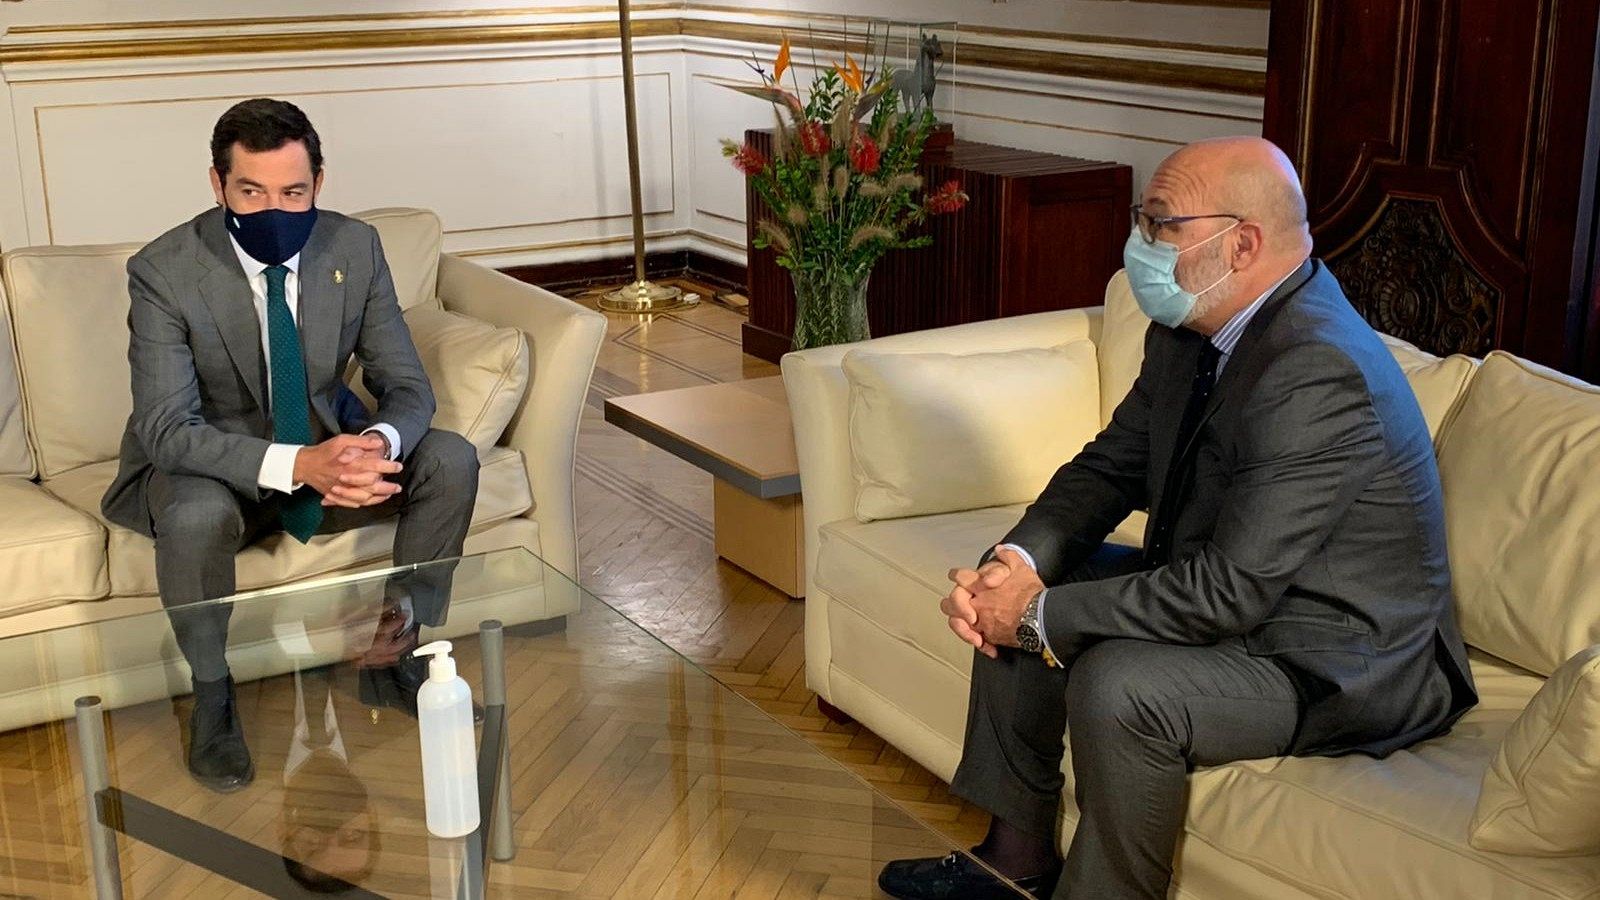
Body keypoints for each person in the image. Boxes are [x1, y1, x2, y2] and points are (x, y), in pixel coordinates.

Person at [878, 137, 1478, 900]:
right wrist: (1019, 566)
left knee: (1119, 683)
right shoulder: (1192, 326)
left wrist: (1038, 617)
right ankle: (1015, 861)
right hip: (1242, 599)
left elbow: (1230, 592)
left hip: (1336, 653)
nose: (1139, 245)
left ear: (1245, 243)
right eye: (1142, 221)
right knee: (1029, 590)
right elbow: (1110, 466)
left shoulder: (1317, 369)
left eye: (1161, 225)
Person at [101, 98, 479, 794]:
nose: (275, 208)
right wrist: (300, 463)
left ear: (318, 184)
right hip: (215, 468)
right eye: (252, 191)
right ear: (218, 186)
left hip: (324, 453)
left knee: (451, 459)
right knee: (192, 516)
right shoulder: (164, 270)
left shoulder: (353, 246)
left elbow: (408, 387)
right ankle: (211, 698)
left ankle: (395, 653)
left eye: (293, 192)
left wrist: (369, 445)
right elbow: (166, 429)